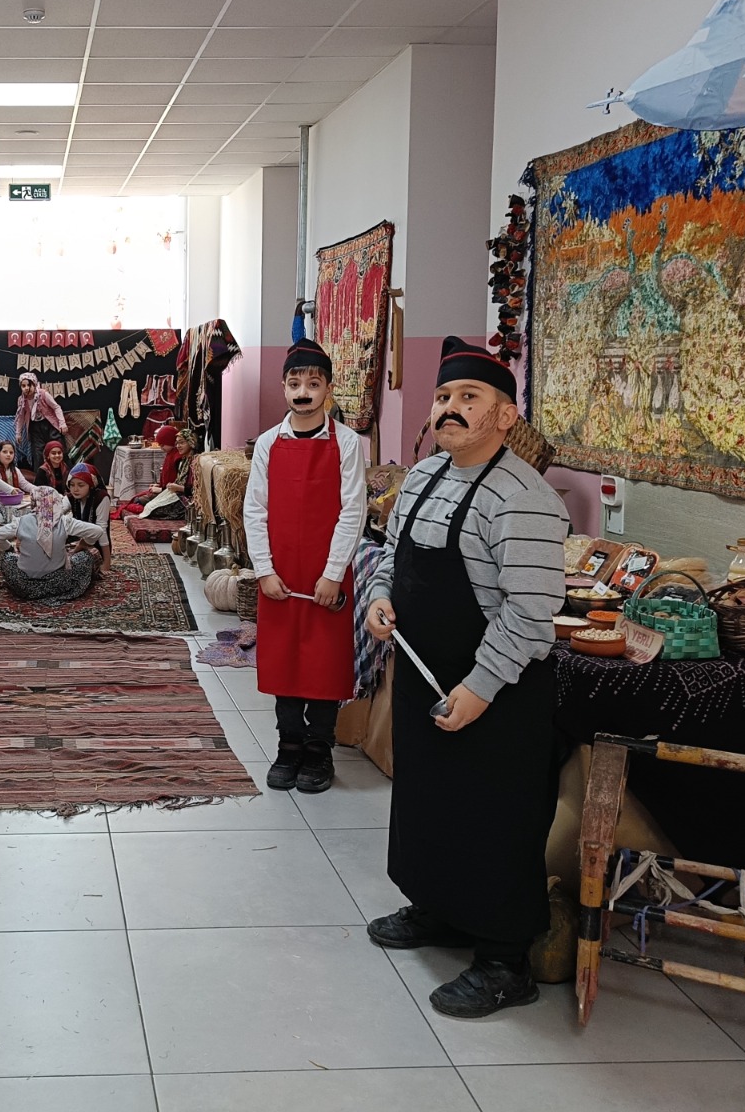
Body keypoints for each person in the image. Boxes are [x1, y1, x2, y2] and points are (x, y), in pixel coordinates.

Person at [363, 336, 569, 1019]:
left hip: (498, 692)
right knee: (428, 801)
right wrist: (379, 597)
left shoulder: (524, 498)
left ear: (506, 416)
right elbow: (391, 555)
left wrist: (480, 688)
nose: (449, 408)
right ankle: (440, 910)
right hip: (426, 673)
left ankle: (505, 961)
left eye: (469, 398)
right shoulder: (422, 476)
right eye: (444, 396)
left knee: (493, 816)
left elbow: (530, 613)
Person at [242, 341, 366, 797]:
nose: (303, 392)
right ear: (283, 387)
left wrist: (334, 572)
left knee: (323, 664)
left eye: (313, 384)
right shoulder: (268, 444)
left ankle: (319, 748)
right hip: (279, 576)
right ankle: (289, 745)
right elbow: (255, 510)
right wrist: (263, 569)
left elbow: (353, 511)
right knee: (285, 663)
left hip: (325, 578)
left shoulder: (348, 443)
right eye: (294, 383)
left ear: (328, 389)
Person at [0, 487, 110, 601]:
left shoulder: (21, 522)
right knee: (86, 556)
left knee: (6, 557)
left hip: (24, 586)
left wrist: (10, 548)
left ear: (33, 503)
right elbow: (97, 531)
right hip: (59, 585)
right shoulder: (64, 521)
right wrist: (84, 543)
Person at [15, 371, 67, 468]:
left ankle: (65, 473)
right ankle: (40, 475)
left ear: (34, 384)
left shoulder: (43, 394)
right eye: (23, 386)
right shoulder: (22, 400)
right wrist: (18, 433)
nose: (26, 388)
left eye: (29, 385)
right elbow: (20, 417)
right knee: (38, 454)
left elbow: (56, 407)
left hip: (50, 425)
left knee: (58, 448)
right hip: (35, 428)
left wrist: (62, 423)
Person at [66, 462, 110, 530]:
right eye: (72, 485)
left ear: (91, 485)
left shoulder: (101, 497)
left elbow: (102, 528)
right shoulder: (71, 496)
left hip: (96, 536)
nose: (75, 489)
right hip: (77, 535)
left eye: (81, 485)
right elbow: (58, 511)